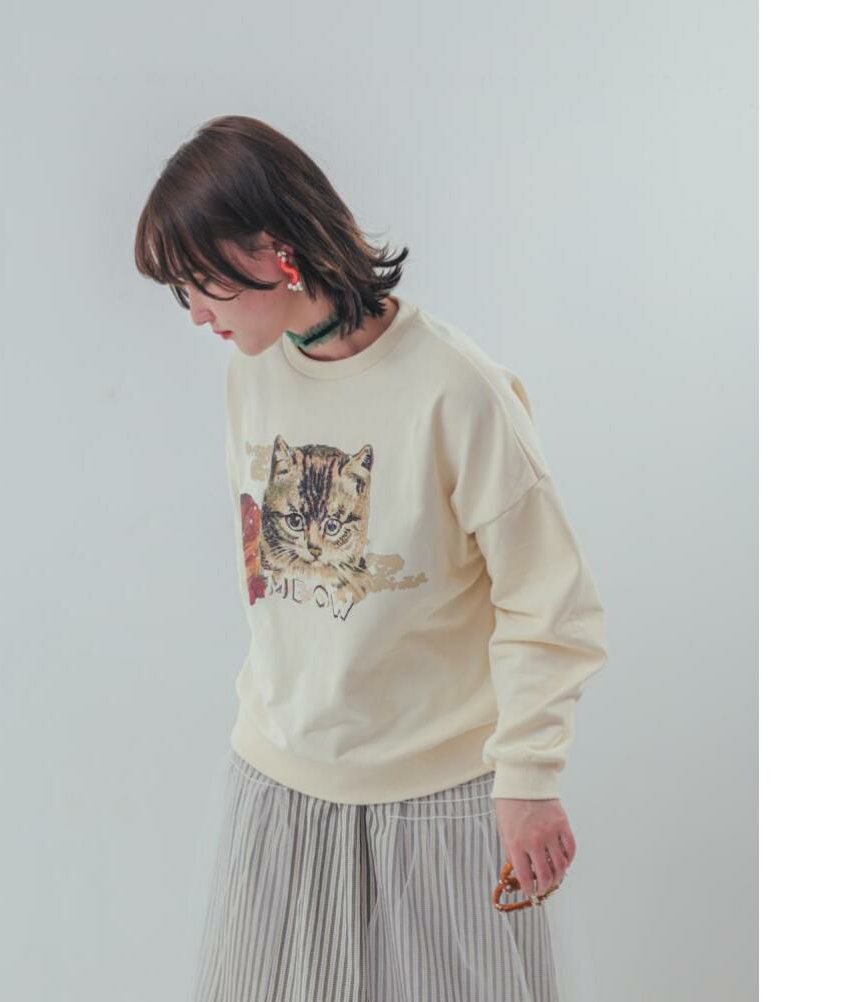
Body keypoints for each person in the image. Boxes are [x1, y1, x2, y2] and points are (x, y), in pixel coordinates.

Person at [134, 114, 609, 1002]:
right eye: (180, 292)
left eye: (200, 283)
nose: (195, 313)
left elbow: (550, 601)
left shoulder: (457, 390)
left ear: (274, 252)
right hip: (281, 784)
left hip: (442, 797)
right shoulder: (251, 374)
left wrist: (530, 776)